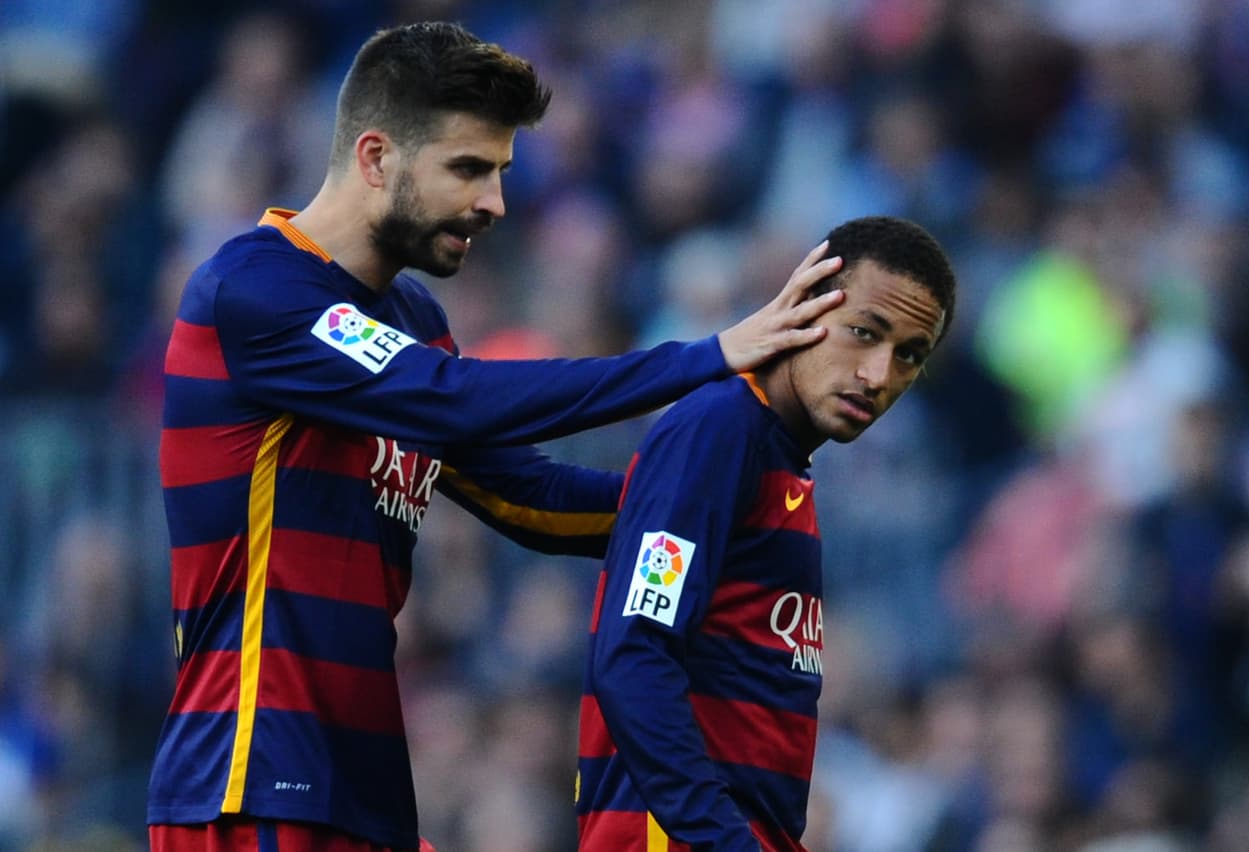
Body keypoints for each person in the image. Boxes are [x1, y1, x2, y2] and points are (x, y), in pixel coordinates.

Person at [145, 19, 845, 852]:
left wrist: (704, 514)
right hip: (248, 778)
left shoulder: (410, 321)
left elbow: (529, 499)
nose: (494, 204)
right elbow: (457, 402)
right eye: (469, 169)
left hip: (359, 790)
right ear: (376, 158)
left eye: (502, 172)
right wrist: (710, 357)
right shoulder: (254, 290)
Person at [576, 216, 958, 851]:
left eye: (910, 355)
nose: (878, 375)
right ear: (805, 302)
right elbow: (635, 652)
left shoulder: (778, 462)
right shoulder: (720, 429)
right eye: (865, 333)